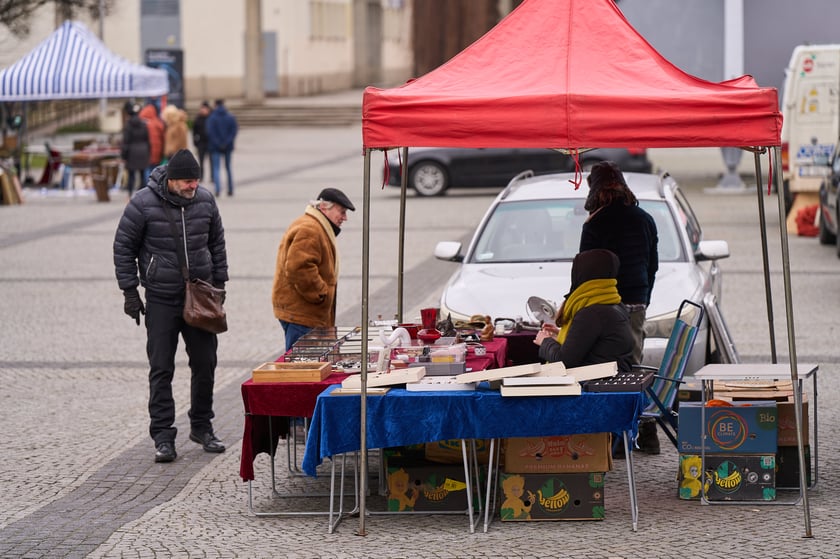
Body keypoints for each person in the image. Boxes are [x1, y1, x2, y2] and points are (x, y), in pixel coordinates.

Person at [113, 149, 229, 463]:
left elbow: (217, 242)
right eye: (188, 181)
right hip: (162, 298)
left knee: (205, 364)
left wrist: (220, 284)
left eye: (196, 180)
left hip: (201, 296)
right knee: (161, 369)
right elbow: (123, 246)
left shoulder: (205, 200)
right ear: (172, 179)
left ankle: (202, 426)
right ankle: (163, 436)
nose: (194, 186)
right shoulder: (142, 203)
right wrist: (130, 292)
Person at [579, 160, 659, 453]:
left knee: (605, 370)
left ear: (594, 188)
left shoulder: (596, 222)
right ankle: (643, 430)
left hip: (603, 305)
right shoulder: (644, 218)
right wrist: (643, 295)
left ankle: (612, 437)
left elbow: (584, 269)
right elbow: (653, 264)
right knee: (633, 368)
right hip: (636, 300)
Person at [272, 188, 355, 352]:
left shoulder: (316, 226)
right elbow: (299, 267)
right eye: (342, 212)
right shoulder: (310, 229)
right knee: (302, 367)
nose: (344, 218)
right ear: (324, 208)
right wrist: (320, 294)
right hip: (303, 314)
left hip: (306, 313)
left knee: (308, 362)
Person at [533, 249, 634, 372]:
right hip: (616, 380)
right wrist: (562, 336)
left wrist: (545, 341)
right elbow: (598, 345)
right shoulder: (615, 305)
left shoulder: (591, 314)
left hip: (596, 385)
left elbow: (564, 361)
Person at [205, 99, 238, 196]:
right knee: (228, 168)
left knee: (216, 168)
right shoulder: (230, 117)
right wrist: (227, 142)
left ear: (215, 105)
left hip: (215, 147)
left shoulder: (212, 118)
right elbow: (233, 131)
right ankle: (230, 189)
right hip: (227, 146)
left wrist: (218, 143)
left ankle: (218, 189)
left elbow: (210, 133)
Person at [120, 103, 150, 197]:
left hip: (132, 152)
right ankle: (143, 195)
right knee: (142, 175)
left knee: (131, 175)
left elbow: (126, 142)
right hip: (143, 151)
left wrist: (124, 155)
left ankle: (129, 194)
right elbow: (148, 139)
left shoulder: (128, 125)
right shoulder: (143, 124)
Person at [139, 101, 166, 184]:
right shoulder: (158, 123)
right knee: (154, 171)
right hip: (156, 152)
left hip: (144, 152)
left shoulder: (141, 123)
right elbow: (163, 138)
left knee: (146, 171)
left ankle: (147, 187)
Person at [192, 101, 211, 180]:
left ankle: (212, 176)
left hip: (210, 143)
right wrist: (196, 142)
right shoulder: (198, 119)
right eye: (202, 108)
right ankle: (202, 176)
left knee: (212, 161)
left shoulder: (211, 118)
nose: (203, 110)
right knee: (201, 161)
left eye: (205, 109)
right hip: (201, 143)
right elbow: (194, 132)